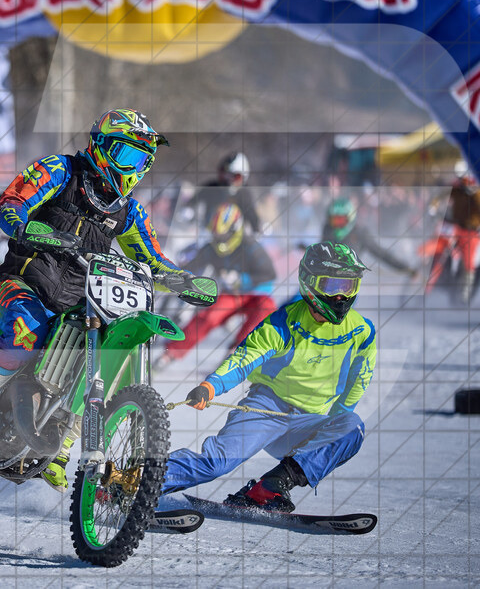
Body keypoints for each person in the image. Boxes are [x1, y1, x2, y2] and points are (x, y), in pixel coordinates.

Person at [0, 108, 207, 491]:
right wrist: (26, 227)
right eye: (126, 155)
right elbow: (11, 202)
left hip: (79, 304)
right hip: (21, 284)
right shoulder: (60, 170)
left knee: (105, 355)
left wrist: (182, 280)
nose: (132, 169)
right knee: (27, 332)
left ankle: (62, 443)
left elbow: (151, 258)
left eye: (141, 161)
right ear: (100, 146)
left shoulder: (128, 210)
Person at [161, 242, 374, 512]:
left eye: (349, 287)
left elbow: (358, 382)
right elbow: (243, 360)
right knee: (216, 463)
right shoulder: (282, 323)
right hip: (264, 409)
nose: (341, 297)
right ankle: (140, 480)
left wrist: (330, 433)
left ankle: (269, 487)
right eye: (332, 286)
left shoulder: (362, 332)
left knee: (352, 426)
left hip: (305, 423)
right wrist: (210, 387)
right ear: (310, 282)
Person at [160, 203, 276, 367]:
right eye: (216, 235)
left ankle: (235, 354)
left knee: (263, 313)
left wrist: (242, 280)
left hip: (257, 295)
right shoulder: (211, 249)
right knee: (209, 316)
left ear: (235, 230)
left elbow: (269, 274)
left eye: (223, 236)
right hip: (231, 294)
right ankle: (170, 354)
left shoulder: (251, 247)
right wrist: (173, 273)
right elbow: (190, 266)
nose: (219, 240)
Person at [423, 160, 480, 294]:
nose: (463, 182)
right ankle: (431, 277)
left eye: (465, 179)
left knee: (468, 263)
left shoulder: (477, 194)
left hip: (471, 231)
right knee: (439, 245)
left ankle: (464, 295)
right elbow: (439, 196)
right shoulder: (456, 187)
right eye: (461, 179)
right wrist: (433, 208)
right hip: (455, 226)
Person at [323, 197, 416, 278]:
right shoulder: (328, 229)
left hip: (348, 282)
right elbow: (320, 251)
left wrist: (404, 268)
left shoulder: (360, 233)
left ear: (350, 218)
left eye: (340, 220)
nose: (336, 225)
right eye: (333, 221)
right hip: (326, 279)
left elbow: (381, 253)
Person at [184, 151, 262, 235]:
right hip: (208, 236)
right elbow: (191, 204)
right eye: (225, 175)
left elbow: (253, 219)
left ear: (244, 177)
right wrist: (188, 212)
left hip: (234, 240)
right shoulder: (212, 188)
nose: (229, 181)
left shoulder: (244, 195)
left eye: (235, 177)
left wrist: (256, 233)